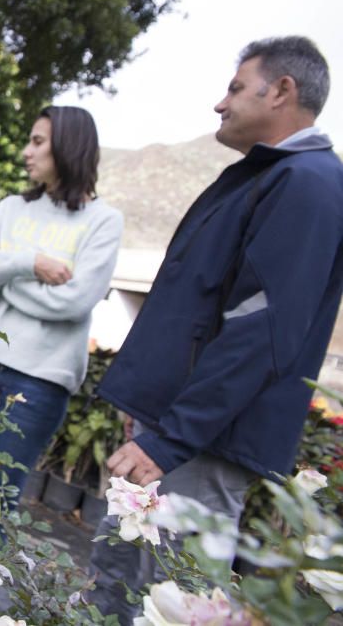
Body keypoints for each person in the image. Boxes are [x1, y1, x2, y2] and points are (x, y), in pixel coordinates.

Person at [87, 36, 343, 623]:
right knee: (118, 585)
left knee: (174, 603)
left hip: (204, 440)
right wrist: (152, 410)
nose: (219, 105)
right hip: (180, 427)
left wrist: (171, 437)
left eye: (234, 87)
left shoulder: (306, 183)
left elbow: (262, 330)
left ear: (281, 91)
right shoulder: (271, 176)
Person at [0, 105, 123, 509]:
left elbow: (74, 301)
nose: (27, 151)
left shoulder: (103, 221)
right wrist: (30, 263)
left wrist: (3, 268)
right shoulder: (10, 207)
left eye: (38, 141)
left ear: (68, 146)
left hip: (41, 380)